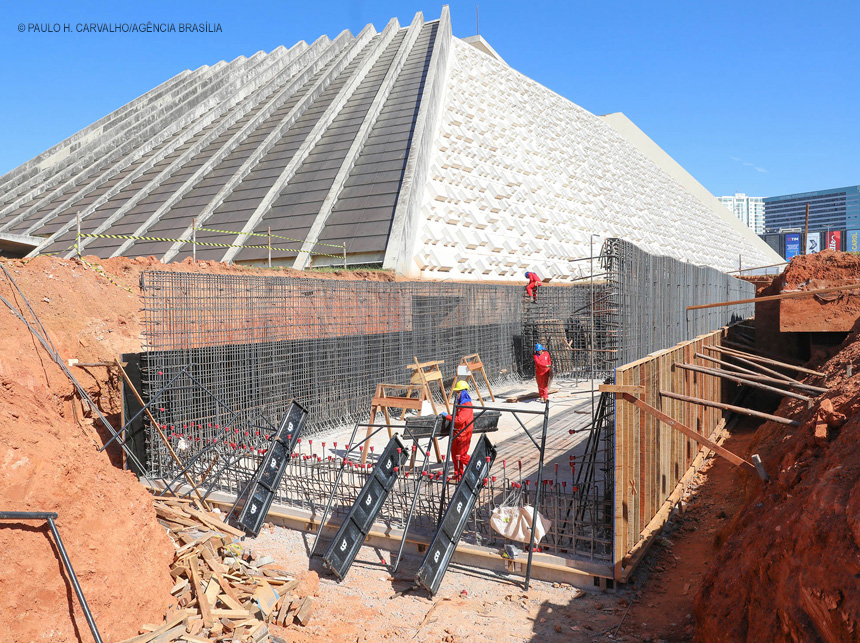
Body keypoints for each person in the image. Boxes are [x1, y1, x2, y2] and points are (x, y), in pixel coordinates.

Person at [445, 380, 475, 478]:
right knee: (455, 456)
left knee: (462, 456)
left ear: (463, 392)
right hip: (457, 433)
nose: (456, 395)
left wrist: (447, 417)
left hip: (464, 434)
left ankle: (476, 468)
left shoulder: (466, 405)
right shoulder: (459, 404)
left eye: (458, 392)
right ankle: (458, 474)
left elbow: (458, 420)